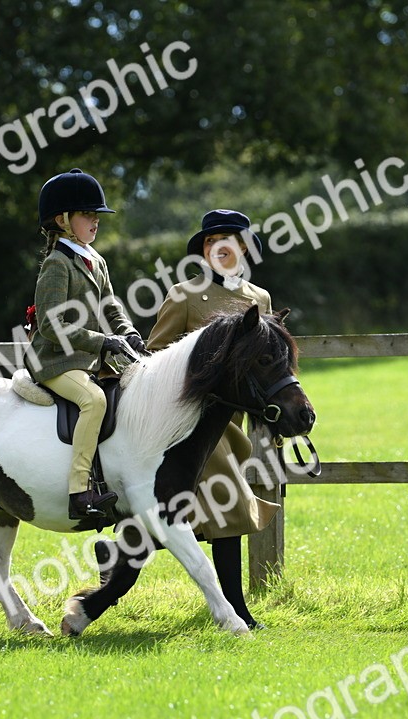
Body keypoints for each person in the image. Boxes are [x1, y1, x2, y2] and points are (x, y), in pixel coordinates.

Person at [146, 209, 282, 629]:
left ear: (243, 246)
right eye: (208, 242)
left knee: (197, 513)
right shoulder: (184, 295)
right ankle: (236, 611)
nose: (216, 247)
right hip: (189, 420)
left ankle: (122, 556)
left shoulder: (260, 299)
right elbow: (155, 354)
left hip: (233, 423)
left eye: (225, 239)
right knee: (229, 510)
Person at [28, 169, 145, 521]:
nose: (95, 221)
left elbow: (111, 307)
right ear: (62, 220)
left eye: (97, 215)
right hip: (54, 362)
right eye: (87, 215)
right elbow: (51, 325)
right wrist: (103, 342)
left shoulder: (97, 260)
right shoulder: (56, 264)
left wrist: (128, 333)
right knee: (93, 400)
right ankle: (79, 490)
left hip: (86, 358)